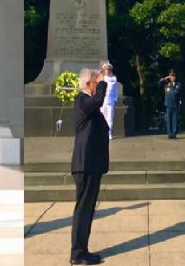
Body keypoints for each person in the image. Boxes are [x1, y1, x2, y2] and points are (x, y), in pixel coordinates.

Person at [70, 68, 108, 265]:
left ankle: (82, 250)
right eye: (94, 82)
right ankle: (77, 253)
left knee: (86, 210)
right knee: (83, 210)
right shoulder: (83, 100)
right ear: (88, 85)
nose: (97, 85)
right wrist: (102, 82)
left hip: (91, 164)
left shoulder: (87, 104)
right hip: (85, 165)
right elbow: (98, 101)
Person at [158, 70, 181, 139]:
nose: (172, 77)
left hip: (175, 104)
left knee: (175, 120)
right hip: (168, 104)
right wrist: (165, 78)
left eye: (173, 76)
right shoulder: (166, 84)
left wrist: (173, 86)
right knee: (168, 120)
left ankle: (174, 134)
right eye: (171, 76)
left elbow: (177, 92)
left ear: (175, 77)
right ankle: (169, 134)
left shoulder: (178, 84)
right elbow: (159, 83)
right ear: (169, 77)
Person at [100, 62, 118, 139]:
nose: (107, 71)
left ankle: (109, 133)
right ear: (104, 70)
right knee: (102, 117)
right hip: (102, 101)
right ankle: (102, 132)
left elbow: (115, 90)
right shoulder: (102, 78)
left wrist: (114, 100)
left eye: (108, 70)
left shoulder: (113, 78)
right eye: (106, 70)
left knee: (110, 118)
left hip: (110, 101)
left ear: (110, 70)